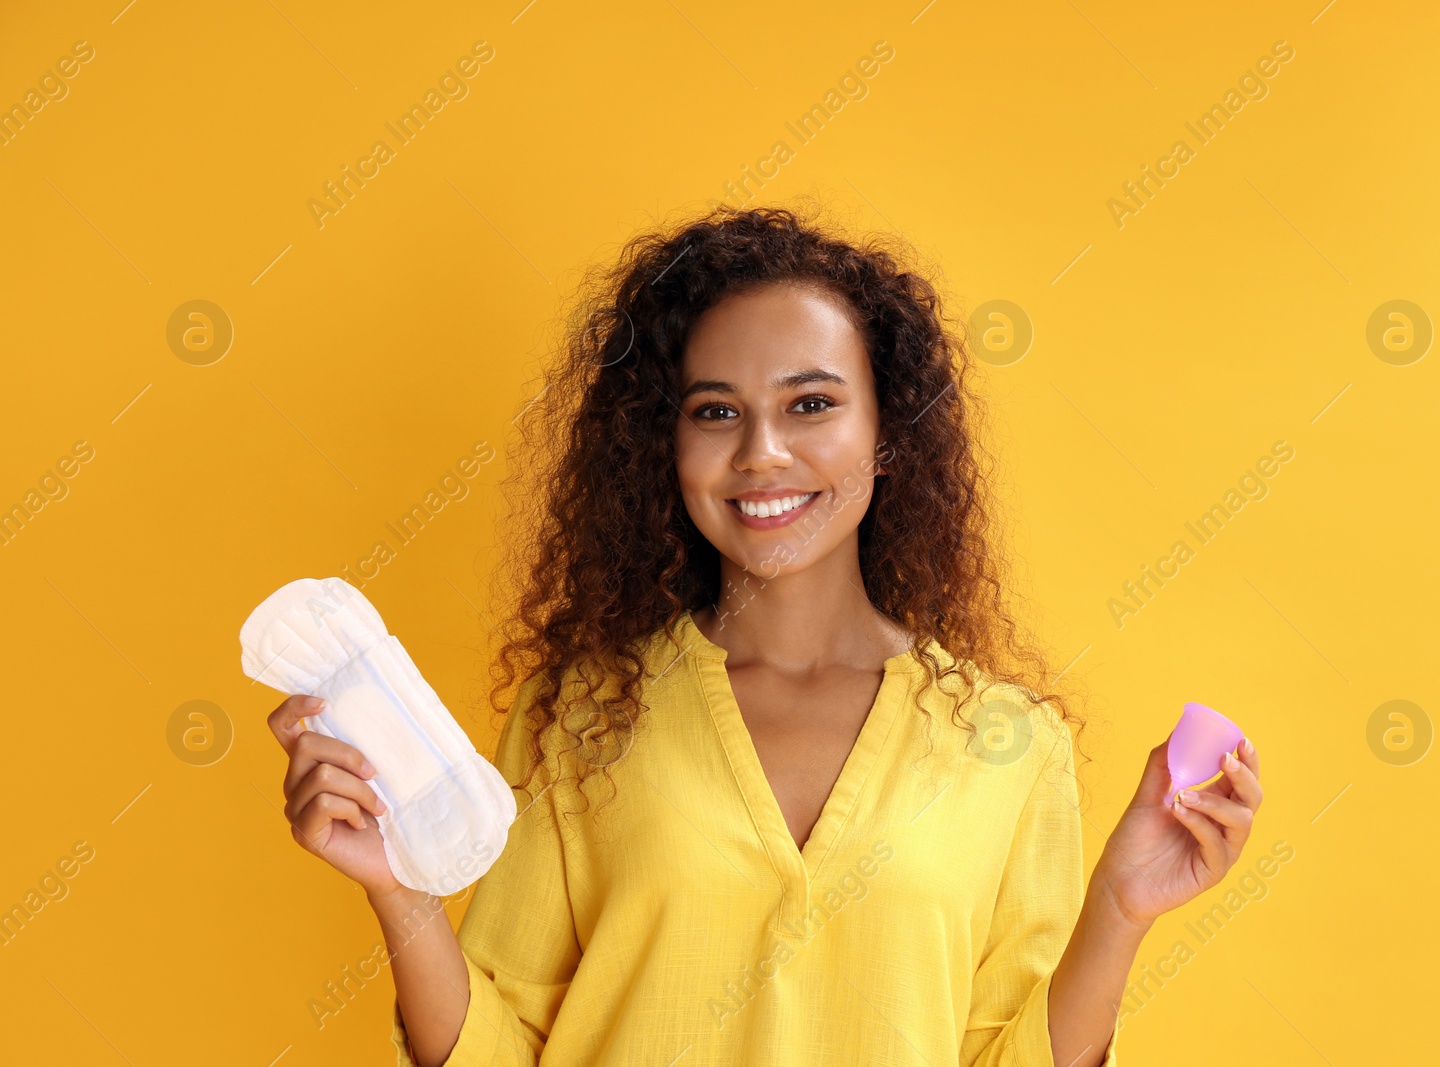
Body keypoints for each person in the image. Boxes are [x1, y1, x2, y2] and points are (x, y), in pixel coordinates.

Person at [265, 203, 1264, 1066]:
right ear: (668, 442)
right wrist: (398, 893)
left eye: (812, 403)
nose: (763, 452)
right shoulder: (581, 713)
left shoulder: (1007, 741)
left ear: (887, 433)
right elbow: (502, 1045)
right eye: (715, 410)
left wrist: (1119, 912)